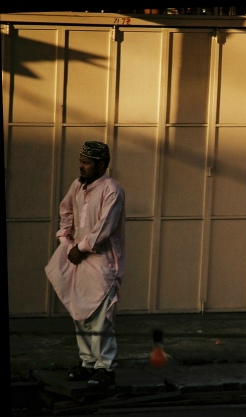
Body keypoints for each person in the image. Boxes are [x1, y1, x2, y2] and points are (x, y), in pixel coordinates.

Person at [45, 141, 126, 388]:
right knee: (80, 313)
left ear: (101, 164)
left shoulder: (112, 189)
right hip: (78, 258)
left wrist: (80, 248)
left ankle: (105, 367)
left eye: (87, 162)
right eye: (81, 161)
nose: (81, 166)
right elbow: (66, 209)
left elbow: (104, 228)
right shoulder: (78, 186)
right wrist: (65, 237)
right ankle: (88, 363)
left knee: (100, 316)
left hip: (103, 262)